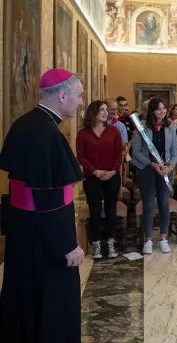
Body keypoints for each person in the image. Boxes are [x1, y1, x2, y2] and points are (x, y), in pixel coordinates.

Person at [0, 69, 85, 342]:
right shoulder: (47, 133)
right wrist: (67, 246)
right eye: (79, 96)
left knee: (23, 302)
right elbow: (50, 200)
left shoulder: (24, 124)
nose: (81, 102)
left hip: (22, 233)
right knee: (50, 308)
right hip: (45, 242)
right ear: (62, 95)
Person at [131, 97, 177, 255]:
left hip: (165, 170)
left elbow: (174, 151)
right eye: (158, 109)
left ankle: (164, 239)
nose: (162, 111)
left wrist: (170, 167)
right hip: (147, 169)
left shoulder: (170, 126)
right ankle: (148, 240)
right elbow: (136, 151)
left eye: (164, 108)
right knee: (149, 205)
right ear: (152, 111)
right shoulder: (142, 127)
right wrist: (152, 164)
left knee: (164, 203)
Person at [76, 101, 123, 259]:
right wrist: (95, 171)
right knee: (94, 210)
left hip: (111, 176)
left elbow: (118, 155)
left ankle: (110, 242)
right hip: (92, 177)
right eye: (101, 110)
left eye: (106, 110)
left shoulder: (114, 131)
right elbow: (81, 156)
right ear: (93, 112)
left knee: (111, 210)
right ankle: (96, 243)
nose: (105, 112)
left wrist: (112, 171)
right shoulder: (83, 134)